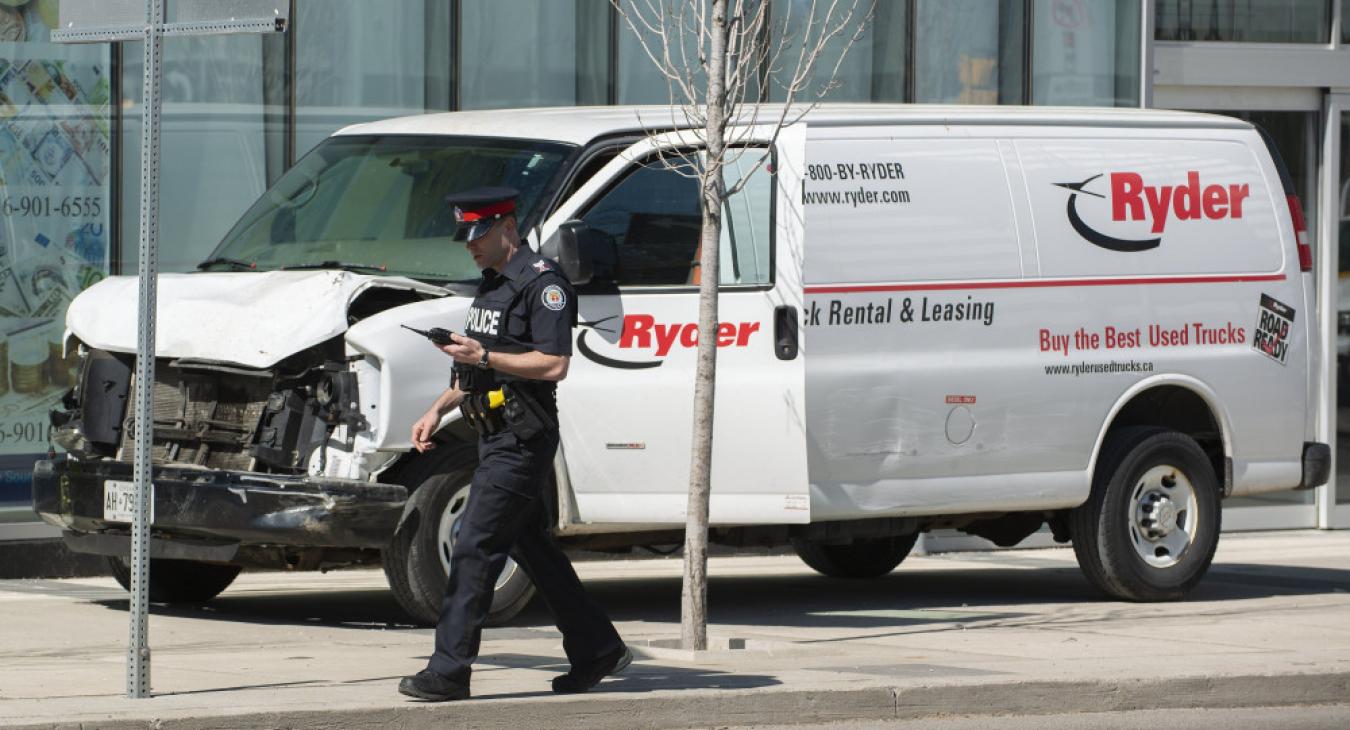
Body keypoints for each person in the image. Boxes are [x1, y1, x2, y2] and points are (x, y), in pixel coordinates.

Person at [398, 186, 630, 702]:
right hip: (492, 433)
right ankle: (597, 648)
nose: (470, 245)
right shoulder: (493, 285)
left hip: (522, 440)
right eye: (467, 236)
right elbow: (478, 363)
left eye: (479, 234)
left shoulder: (543, 285)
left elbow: (553, 363)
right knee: (535, 553)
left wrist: (484, 358)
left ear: (508, 227)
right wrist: (438, 408)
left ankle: (449, 670)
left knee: (474, 547)